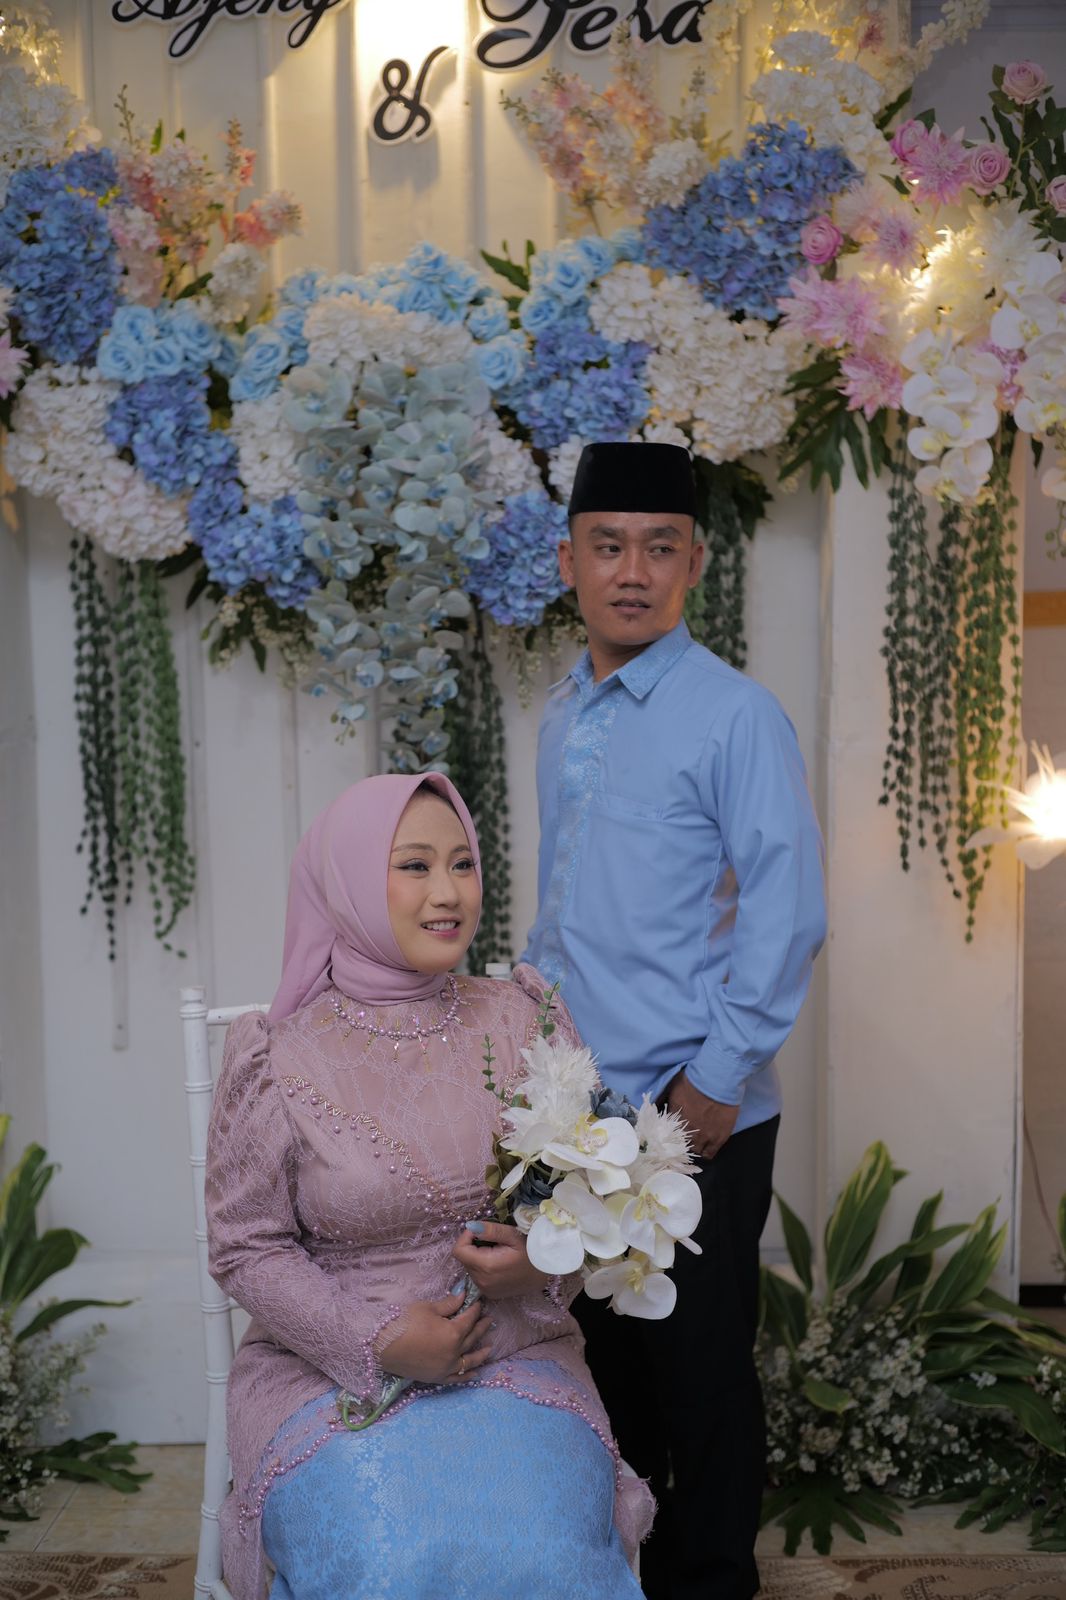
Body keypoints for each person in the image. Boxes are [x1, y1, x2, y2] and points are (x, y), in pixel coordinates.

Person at [205, 771, 652, 1600]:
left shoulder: (524, 1019)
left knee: (546, 1553)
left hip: (515, 1357)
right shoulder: (276, 1055)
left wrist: (541, 1263)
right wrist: (377, 1339)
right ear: (346, 885)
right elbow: (245, 1249)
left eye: (462, 864)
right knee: (389, 1562)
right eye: (413, 865)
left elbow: (590, 1201)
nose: (448, 893)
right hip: (329, 1376)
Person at [523, 441, 827, 1600]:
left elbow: (788, 914)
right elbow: (565, 916)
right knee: (602, 1367)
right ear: (568, 562)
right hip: (579, 1113)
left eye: (659, 547)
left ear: (695, 564)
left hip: (693, 1108)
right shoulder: (562, 714)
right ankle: (620, 1574)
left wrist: (719, 1076)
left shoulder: (733, 716)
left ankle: (709, 1581)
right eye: (607, 546)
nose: (632, 571)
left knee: (699, 1374)